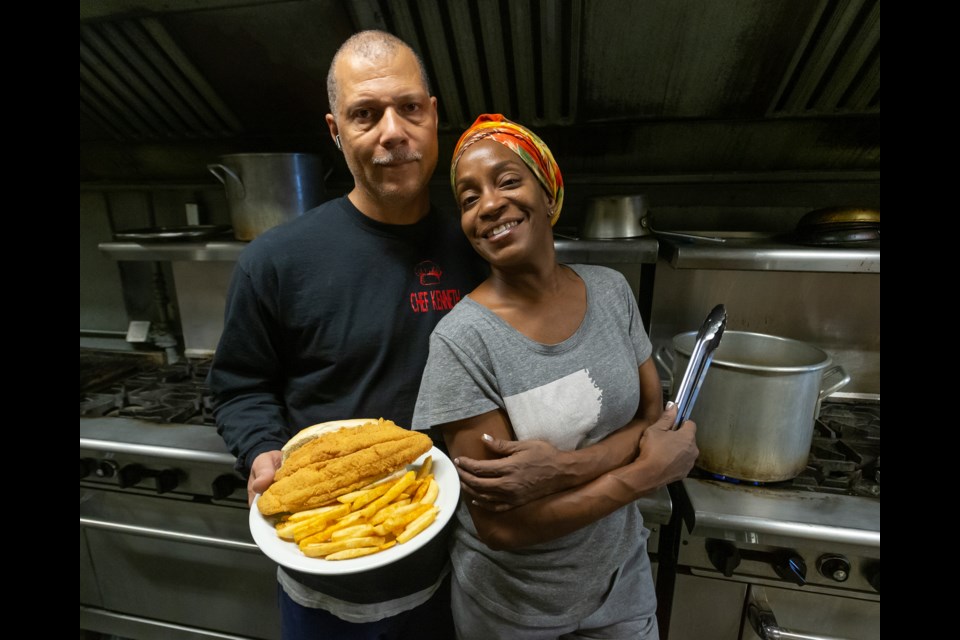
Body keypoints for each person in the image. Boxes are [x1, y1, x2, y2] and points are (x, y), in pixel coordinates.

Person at [207, 31, 487, 639]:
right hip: (328, 583)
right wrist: (261, 451)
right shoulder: (278, 260)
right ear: (336, 130)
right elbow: (238, 387)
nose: (393, 131)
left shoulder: (480, 250)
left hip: (467, 566)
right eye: (366, 114)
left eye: (410, 107)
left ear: (434, 116)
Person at [412, 114, 699, 639]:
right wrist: (642, 473)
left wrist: (563, 470)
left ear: (548, 194)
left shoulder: (612, 291)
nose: (489, 204)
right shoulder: (461, 342)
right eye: (469, 198)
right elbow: (501, 526)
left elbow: (650, 417)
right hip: (513, 609)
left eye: (507, 180)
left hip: (622, 582)